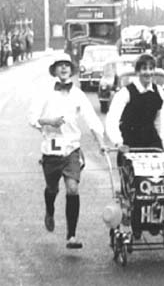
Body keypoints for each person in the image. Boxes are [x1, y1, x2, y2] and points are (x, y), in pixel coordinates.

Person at [29, 54, 106, 249]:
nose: (63, 69)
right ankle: (49, 210)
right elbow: (32, 117)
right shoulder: (45, 92)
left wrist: (101, 142)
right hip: (51, 147)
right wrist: (49, 122)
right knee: (52, 188)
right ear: (54, 70)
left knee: (72, 188)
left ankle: (71, 236)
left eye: (67, 66)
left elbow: (91, 119)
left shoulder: (78, 94)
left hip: (71, 148)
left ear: (71, 70)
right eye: (59, 66)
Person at [105, 54, 164, 155]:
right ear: (137, 71)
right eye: (144, 69)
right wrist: (118, 142)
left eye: (151, 69)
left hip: (152, 144)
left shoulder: (159, 92)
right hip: (130, 143)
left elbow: (160, 123)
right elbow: (112, 120)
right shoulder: (125, 93)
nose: (148, 73)